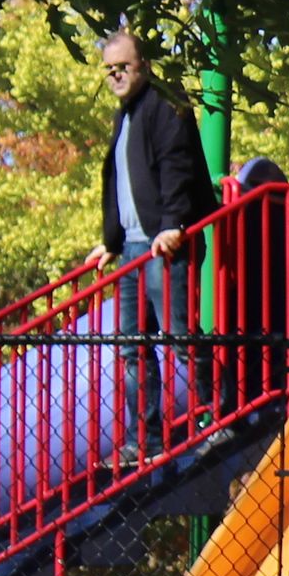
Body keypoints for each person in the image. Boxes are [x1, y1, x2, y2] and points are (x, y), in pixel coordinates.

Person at [93, 28, 221, 444]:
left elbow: (176, 166)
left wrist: (173, 224)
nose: (116, 76)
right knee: (133, 346)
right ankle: (143, 436)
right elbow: (121, 180)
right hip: (132, 244)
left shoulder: (165, 103)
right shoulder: (126, 113)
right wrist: (111, 241)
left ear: (143, 65)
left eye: (123, 67)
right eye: (109, 70)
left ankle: (215, 412)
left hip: (163, 243)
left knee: (179, 335)